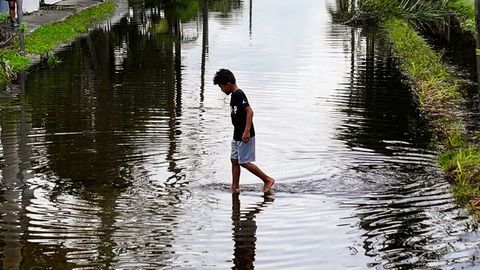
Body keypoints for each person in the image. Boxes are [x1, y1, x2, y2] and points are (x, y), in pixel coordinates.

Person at [213, 68, 275, 193]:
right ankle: (235, 187)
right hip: (237, 134)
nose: (221, 90)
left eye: (221, 87)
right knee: (234, 160)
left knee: (244, 162)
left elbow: (250, 112)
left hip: (245, 134)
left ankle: (267, 179)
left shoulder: (239, 94)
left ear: (228, 84)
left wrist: (246, 131)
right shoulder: (233, 96)